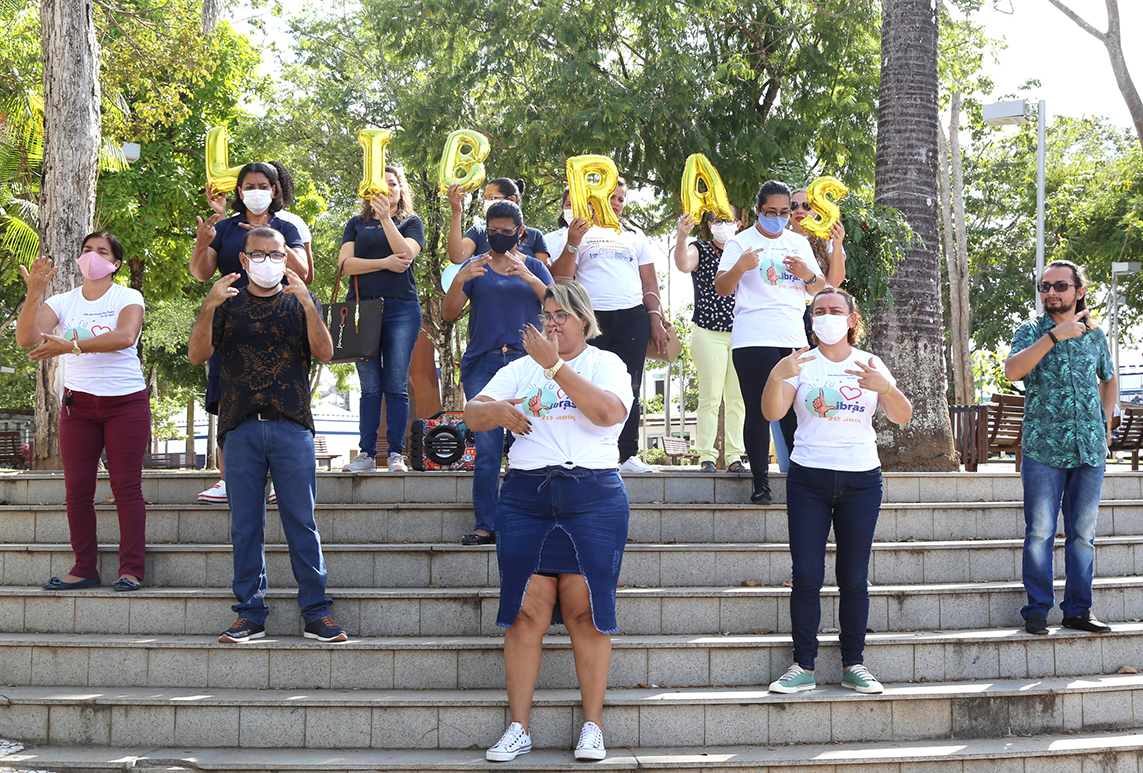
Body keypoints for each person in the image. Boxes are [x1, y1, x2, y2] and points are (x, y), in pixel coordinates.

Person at [465, 281, 632, 762]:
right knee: (524, 612)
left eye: (561, 314)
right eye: (546, 315)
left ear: (584, 319)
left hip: (592, 497)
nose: (552, 322)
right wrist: (495, 410)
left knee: (587, 614)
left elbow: (604, 414)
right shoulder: (518, 369)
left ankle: (592, 727)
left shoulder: (607, 364)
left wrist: (555, 366)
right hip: (525, 497)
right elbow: (474, 414)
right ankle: (519, 728)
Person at [188, 226, 346, 644]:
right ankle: (250, 613)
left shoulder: (298, 301)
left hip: (292, 427)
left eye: (276, 255)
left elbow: (326, 352)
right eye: (258, 255)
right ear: (243, 260)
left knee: (301, 522)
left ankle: (317, 612)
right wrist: (208, 305)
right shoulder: (226, 303)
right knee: (245, 526)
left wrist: (310, 304)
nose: (267, 262)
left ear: (286, 258)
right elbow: (196, 355)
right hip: (239, 428)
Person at [761, 288, 912, 695]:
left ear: (851, 318)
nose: (826, 316)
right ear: (810, 319)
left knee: (854, 577)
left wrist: (886, 387)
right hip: (808, 478)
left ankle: (854, 664)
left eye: (835, 310)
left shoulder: (870, 363)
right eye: (819, 311)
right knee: (807, 575)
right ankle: (803, 665)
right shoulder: (800, 363)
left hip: (861, 480)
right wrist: (777, 375)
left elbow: (902, 416)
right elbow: (772, 412)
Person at [17, 233, 150, 592]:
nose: (92, 256)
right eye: (87, 250)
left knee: (126, 487)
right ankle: (84, 568)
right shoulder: (63, 301)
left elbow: (125, 336)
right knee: (76, 490)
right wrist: (34, 292)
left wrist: (72, 346)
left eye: (102, 251)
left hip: (126, 402)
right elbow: (27, 338)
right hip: (79, 405)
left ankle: (132, 569)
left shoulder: (127, 296)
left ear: (116, 263)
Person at [1004, 260, 1117, 637]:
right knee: (1040, 531)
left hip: (1089, 449)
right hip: (1043, 448)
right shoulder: (1031, 331)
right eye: (1044, 286)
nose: (1051, 292)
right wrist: (1056, 336)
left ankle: (1078, 611)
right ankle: (1037, 610)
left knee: (1083, 533)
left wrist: (1105, 421)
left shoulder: (1096, 335)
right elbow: (1012, 371)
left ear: (1078, 292)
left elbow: (1109, 378)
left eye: (1060, 286)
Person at [190, 161, 308, 504]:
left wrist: (276, 243)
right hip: (232, 322)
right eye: (248, 186)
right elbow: (201, 272)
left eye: (262, 185)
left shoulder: (287, 226)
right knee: (228, 400)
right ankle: (229, 480)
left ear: (274, 190)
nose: (255, 191)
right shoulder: (225, 228)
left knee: (280, 400)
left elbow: (305, 274)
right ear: (239, 192)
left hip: (280, 320)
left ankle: (277, 480)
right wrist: (203, 241)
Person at [443, 201, 554, 545]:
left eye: (506, 232)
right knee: (489, 445)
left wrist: (529, 276)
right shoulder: (475, 266)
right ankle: (485, 523)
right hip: (484, 364)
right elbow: (448, 314)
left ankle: (530, 520)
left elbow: (558, 305)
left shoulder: (534, 264)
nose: (498, 237)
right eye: (492, 232)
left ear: (521, 232)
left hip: (529, 363)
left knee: (531, 439)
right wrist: (460, 278)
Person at [715, 180, 826, 503]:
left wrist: (807, 274)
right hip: (753, 337)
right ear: (758, 210)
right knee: (759, 410)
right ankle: (761, 483)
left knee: (795, 410)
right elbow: (722, 287)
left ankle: (800, 482)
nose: (778, 218)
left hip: (792, 336)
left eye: (784, 212)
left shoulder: (798, 243)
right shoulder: (740, 243)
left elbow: (817, 287)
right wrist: (741, 267)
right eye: (770, 212)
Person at [548, 179, 668, 473]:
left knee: (631, 385)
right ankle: (588, 452)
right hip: (590, 318)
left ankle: (628, 455)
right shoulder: (576, 231)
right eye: (610, 197)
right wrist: (573, 243)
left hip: (632, 317)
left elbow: (650, 283)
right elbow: (560, 280)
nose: (616, 203)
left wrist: (655, 318)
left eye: (621, 199)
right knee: (586, 382)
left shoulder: (634, 235)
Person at [339, 165, 425, 473]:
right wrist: (384, 262)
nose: (387, 190)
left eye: (393, 184)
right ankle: (366, 454)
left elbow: (406, 256)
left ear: (401, 189)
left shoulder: (411, 222)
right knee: (370, 386)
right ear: (368, 191)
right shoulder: (356, 224)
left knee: (396, 384)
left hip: (402, 310)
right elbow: (346, 264)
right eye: (381, 185)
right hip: (363, 310)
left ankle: (395, 455)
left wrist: (387, 220)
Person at [673, 209, 748, 472]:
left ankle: (735, 456)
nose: (723, 225)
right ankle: (706, 455)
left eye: (728, 220)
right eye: (717, 220)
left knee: (738, 399)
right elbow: (683, 264)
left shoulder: (747, 251)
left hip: (742, 332)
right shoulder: (701, 249)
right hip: (708, 331)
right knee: (710, 396)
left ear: (739, 223)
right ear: (709, 224)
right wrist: (682, 236)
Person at [447, 178, 550, 264]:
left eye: (492, 197)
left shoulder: (535, 236)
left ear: (511, 200)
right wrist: (456, 212)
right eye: (485, 198)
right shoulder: (478, 233)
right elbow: (457, 257)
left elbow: (543, 277)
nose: (487, 202)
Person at [789, 188, 847, 288]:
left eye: (806, 206)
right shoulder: (779, 238)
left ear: (816, 212)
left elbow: (834, 282)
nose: (799, 211)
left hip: (818, 301)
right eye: (793, 206)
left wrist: (837, 244)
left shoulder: (829, 240)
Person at [269, 161, 315, 285]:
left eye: (264, 185)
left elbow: (308, 277)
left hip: (286, 298)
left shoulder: (294, 222)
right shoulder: (236, 221)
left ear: (279, 187)